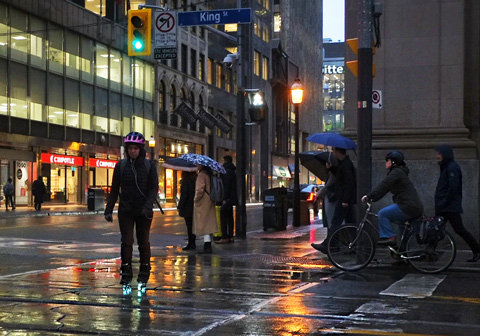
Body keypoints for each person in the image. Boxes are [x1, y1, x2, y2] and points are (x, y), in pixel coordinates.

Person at [104, 131, 159, 290]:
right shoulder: (121, 166)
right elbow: (114, 190)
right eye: (130, 148)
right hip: (126, 209)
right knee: (126, 241)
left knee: (143, 242)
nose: (133, 151)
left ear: (141, 149)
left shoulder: (149, 165)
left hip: (143, 210)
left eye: (136, 148)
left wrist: (147, 206)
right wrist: (109, 209)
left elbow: (154, 188)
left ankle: (144, 271)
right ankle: (126, 272)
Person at [361, 150, 424, 245]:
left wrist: (369, 196)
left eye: (388, 160)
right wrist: (373, 198)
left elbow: (384, 185)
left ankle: (390, 237)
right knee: (402, 229)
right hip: (413, 206)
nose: (386, 163)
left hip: (407, 206)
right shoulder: (399, 172)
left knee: (383, 214)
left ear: (393, 162)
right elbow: (385, 189)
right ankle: (401, 253)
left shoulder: (396, 172)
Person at [435, 145, 480, 262]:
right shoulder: (447, 167)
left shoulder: (452, 168)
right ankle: (430, 251)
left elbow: (453, 188)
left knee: (459, 229)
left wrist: (444, 201)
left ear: (445, 154)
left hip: (449, 207)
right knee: (436, 228)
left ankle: (477, 250)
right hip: (446, 206)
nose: (438, 156)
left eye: (439, 153)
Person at [312, 147, 356, 253]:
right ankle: (356, 244)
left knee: (336, 223)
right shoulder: (344, 163)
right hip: (345, 199)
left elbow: (349, 184)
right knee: (351, 223)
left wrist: (345, 200)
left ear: (336, 151)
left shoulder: (346, 165)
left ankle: (328, 245)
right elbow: (340, 177)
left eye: (333, 151)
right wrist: (331, 168)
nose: (333, 153)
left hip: (344, 200)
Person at [193, 164, 218, 254]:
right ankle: (208, 244)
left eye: (198, 164)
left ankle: (207, 246)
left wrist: (196, 199)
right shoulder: (209, 174)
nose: (197, 165)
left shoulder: (201, 175)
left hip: (203, 201)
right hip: (210, 199)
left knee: (203, 223)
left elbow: (199, 189)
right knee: (208, 222)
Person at [217, 155, 237, 244]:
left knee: (223, 216)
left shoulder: (226, 172)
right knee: (230, 217)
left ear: (226, 161)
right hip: (231, 198)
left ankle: (225, 236)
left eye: (223, 161)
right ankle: (230, 236)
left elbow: (226, 186)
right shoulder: (232, 171)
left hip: (227, 198)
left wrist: (224, 198)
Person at [177, 171, 197, 250]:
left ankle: (191, 244)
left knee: (189, 226)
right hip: (194, 205)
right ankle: (193, 243)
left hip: (187, 206)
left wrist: (180, 206)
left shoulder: (186, 181)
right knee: (192, 225)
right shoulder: (196, 179)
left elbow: (184, 195)